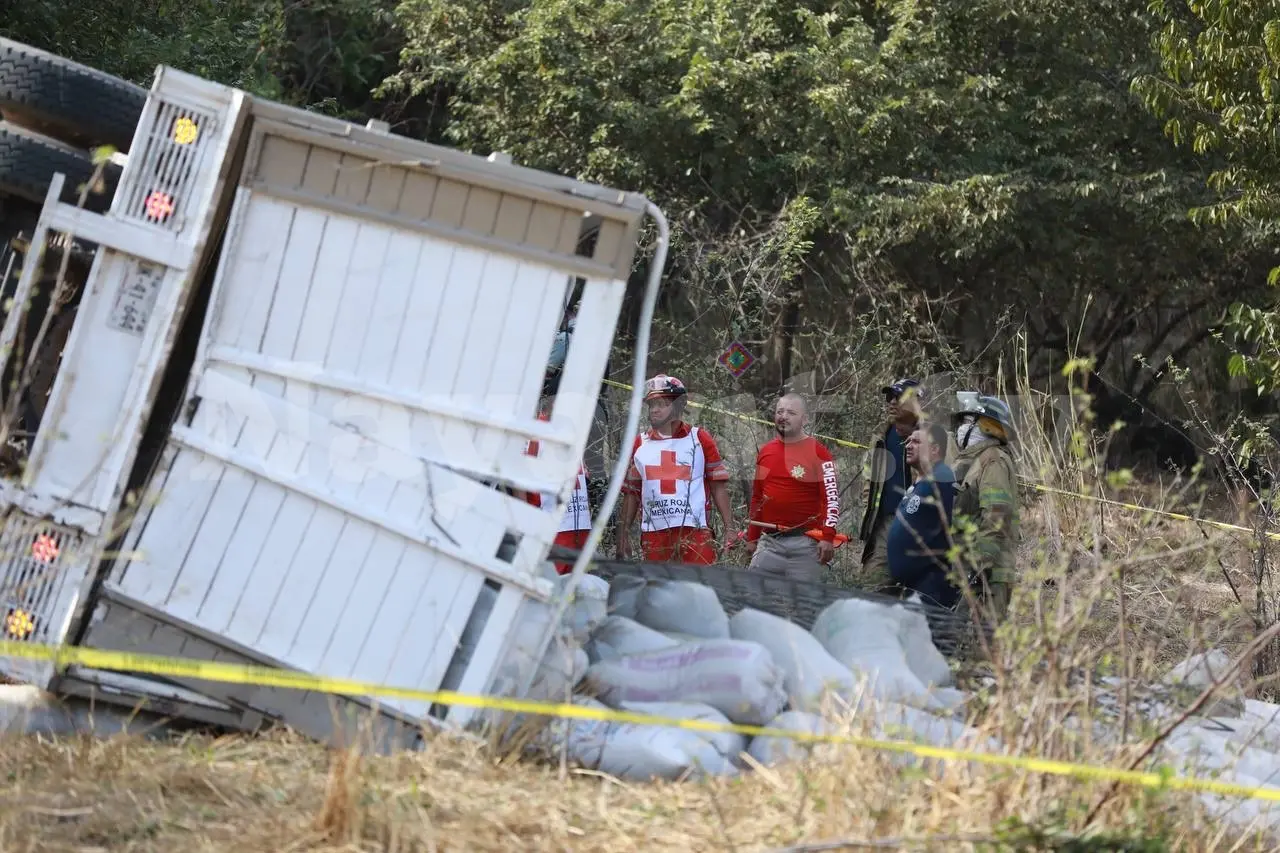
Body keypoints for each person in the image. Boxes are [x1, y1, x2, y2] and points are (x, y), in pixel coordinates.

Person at [617, 373, 734, 563]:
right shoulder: (640, 443)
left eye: (662, 404)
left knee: (699, 588)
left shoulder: (700, 439)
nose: (654, 410)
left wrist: (730, 528)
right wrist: (622, 536)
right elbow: (632, 493)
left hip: (696, 532)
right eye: (651, 405)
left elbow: (717, 487)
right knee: (658, 590)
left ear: (680, 405)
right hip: (654, 535)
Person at [744, 393, 841, 583]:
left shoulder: (819, 452)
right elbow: (757, 497)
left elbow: (831, 499)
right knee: (752, 597)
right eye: (780, 411)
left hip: (806, 545)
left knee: (804, 607)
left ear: (804, 419)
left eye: (791, 412)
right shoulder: (766, 452)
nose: (783, 416)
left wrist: (828, 537)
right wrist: (752, 537)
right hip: (769, 543)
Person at [950, 392, 1020, 622]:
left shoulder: (993, 460)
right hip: (974, 572)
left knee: (984, 648)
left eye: (968, 421)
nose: (961, 428)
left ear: (986, 427)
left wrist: (979, 564)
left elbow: (996, 514)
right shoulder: (976, 462)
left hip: (988, 577)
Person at [857, 378, 924, 592]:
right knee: (872, 587)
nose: (892, 402)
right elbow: (868, 483)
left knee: (918, 592)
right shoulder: (880, 438)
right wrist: (869, 522)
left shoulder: (934, 439)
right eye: (889, 397)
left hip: (921, 527)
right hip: (886, 525)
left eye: (898, 397)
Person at [887, 421, 958, 608]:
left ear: (934, 449)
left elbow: (954, 527)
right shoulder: (922, 481)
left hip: (932, 588)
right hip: (914, 588)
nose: (909, 445)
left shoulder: (942, 479)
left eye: (917, 442)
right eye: (908, 441)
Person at [517, 402, 593, 575]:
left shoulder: (574, 430)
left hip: (579, 524)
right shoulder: (535, 432)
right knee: (552, 585)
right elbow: (519, 480)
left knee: (577, 587)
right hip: (553, 528)